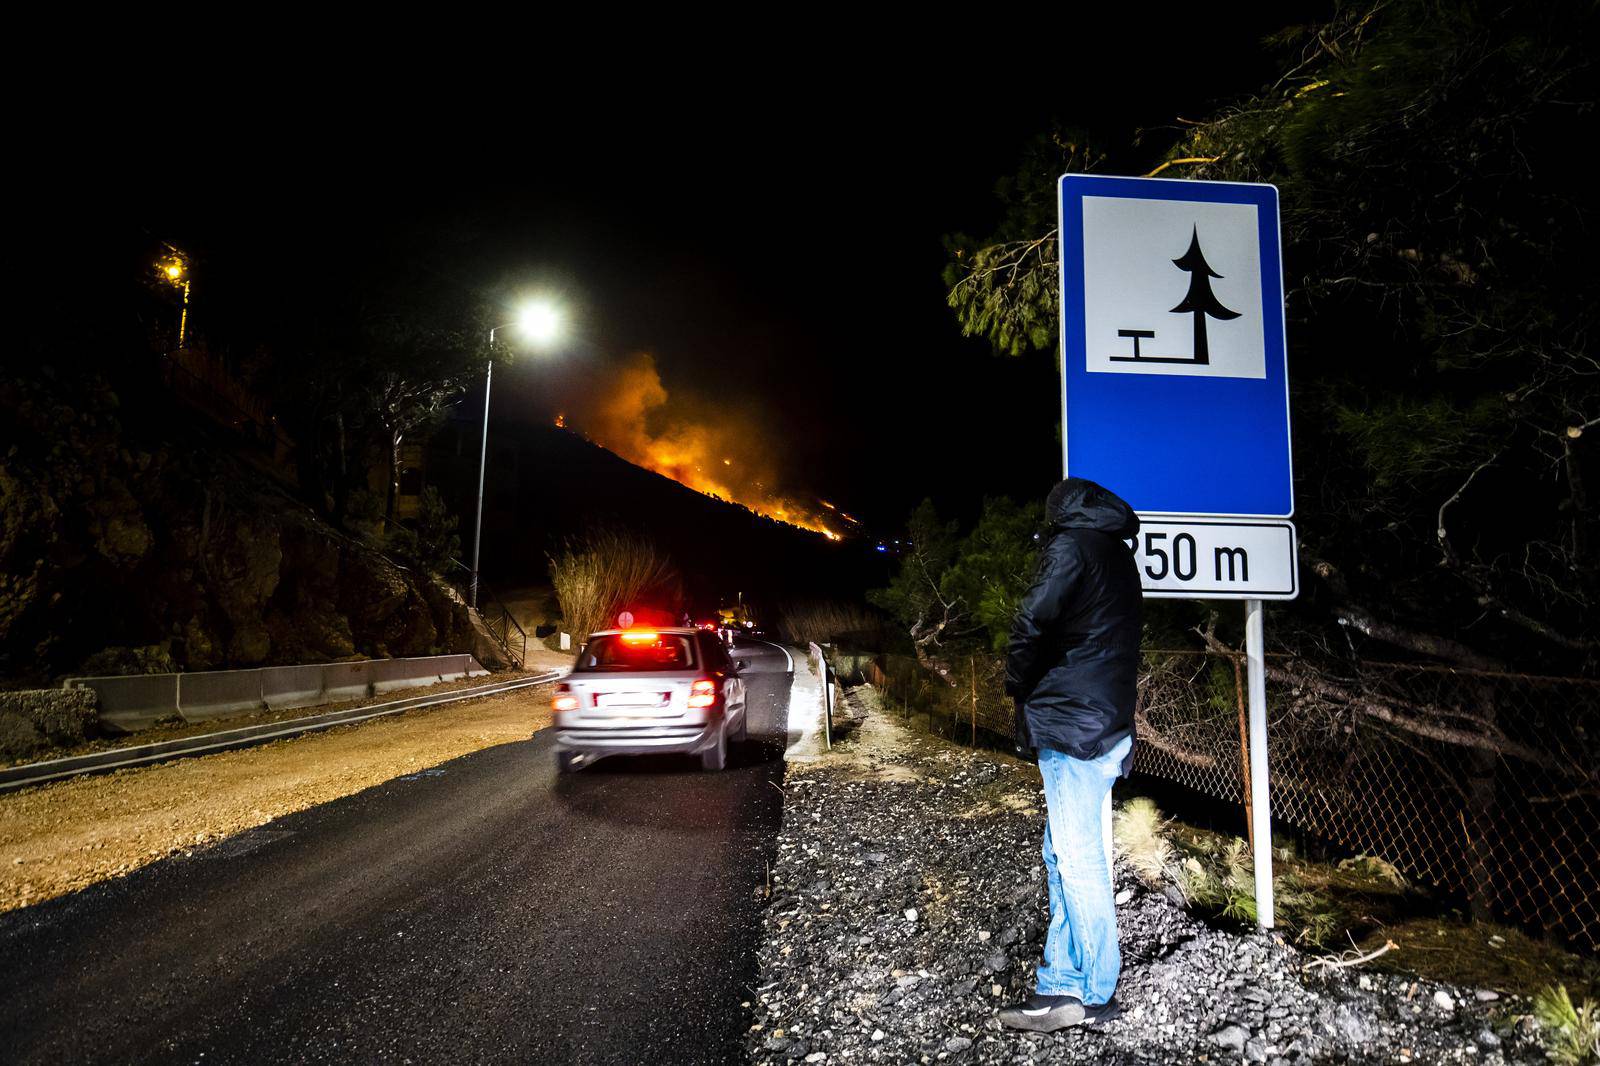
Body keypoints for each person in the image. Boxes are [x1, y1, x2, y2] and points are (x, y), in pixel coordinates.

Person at [997, 477, 1142, 1033]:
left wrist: (1018, 682)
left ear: (1064, 511)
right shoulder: (1118, 556)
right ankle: (1060, 981)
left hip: (1073, 724)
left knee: (1077, 860)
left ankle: (1096, 988)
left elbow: (1031, 620)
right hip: (1106, 722)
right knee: (1062, 854)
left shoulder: (1070, 546)